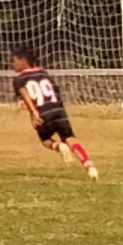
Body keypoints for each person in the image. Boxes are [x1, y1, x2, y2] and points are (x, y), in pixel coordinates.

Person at [12, 46, 99, 180]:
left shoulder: (19, 79)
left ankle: (59, 146)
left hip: (42, 113)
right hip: (58, 110)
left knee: (46, 140)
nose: (13, 64)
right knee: (71, 138)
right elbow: (55, 91)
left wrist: (33, 112)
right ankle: (90, 167)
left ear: (23, 61)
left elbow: (25, 94)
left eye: (15, 61)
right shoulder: (44, 73)